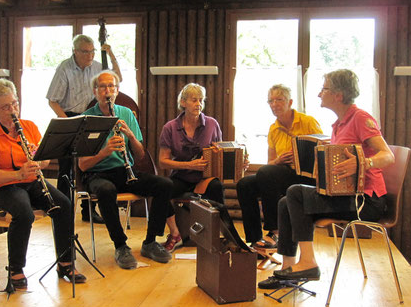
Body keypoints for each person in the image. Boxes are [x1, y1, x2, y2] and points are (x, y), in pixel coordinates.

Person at [258, 69, 395, 289]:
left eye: (324, 89)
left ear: (338, 95)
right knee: (286, 201)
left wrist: (363, 163)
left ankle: (308, 263)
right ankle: (289, 266)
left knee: (294, 192)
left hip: (366, 201)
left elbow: (388, 155)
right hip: (346, 196)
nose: (320, 94)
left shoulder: (360, 118)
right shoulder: (338, 124)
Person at [0, 78, 85, 290]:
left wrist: (38, 161)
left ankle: (65, 263)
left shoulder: (29, 127)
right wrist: (18, 174)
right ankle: (16, 269)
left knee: (64, 205)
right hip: (4, 187)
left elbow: (45, 159)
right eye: (6, 107)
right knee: (24, 213)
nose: (13, 110)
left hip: (32, 181)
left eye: (15, 103)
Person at [78, 70, 173, 269]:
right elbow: (83, 165)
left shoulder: (126, 113)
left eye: (111, 86)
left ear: (117, 90)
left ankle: (150, 242)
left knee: (164, 185)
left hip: (125, 170)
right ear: (95, 91)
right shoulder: (86, 118)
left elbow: (139, 155)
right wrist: (105, 152)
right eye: (102, 87)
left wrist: (130, 135)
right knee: (106, 190)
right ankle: (121, 246)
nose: (107, 91)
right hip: (97, 173)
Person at [236, 84, 322, 250]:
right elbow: (271, 163)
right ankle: (254, 240)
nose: (274, 104)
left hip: (306, 176)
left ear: (290, 102)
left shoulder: (308, 121)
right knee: (244, 184)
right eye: (271, 101)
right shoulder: (273, 129)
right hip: (281, 174)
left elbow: (323, 150)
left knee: (268, 173)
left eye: (279, 100)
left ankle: (275, 231)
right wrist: (279, 160)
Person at [46, 34, 121, 223]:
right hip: (69, 117)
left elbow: (117, 78)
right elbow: (52, 100)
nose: (90, 55)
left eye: (92, 51)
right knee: (66, 167)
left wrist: (110, 55)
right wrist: (67, 123)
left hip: (92, 116)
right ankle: (62, 208)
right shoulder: (64, 68)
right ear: (75, 51)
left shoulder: (97, 66)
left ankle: (88, 210)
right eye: (86, 51)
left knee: (90, 163)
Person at [158, 83, 224, 252]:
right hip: (181, 176)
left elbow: (219, 152)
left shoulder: (212, 124)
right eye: (194, 100)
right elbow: (163, 161)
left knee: (217, 187)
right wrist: (189, 165)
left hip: (204, 177)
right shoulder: (170, 127)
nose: (198, 104)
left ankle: (219, 236)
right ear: (183, 102)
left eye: (201, 100)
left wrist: (225, 156)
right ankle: (174, 233)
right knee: (161, 191)